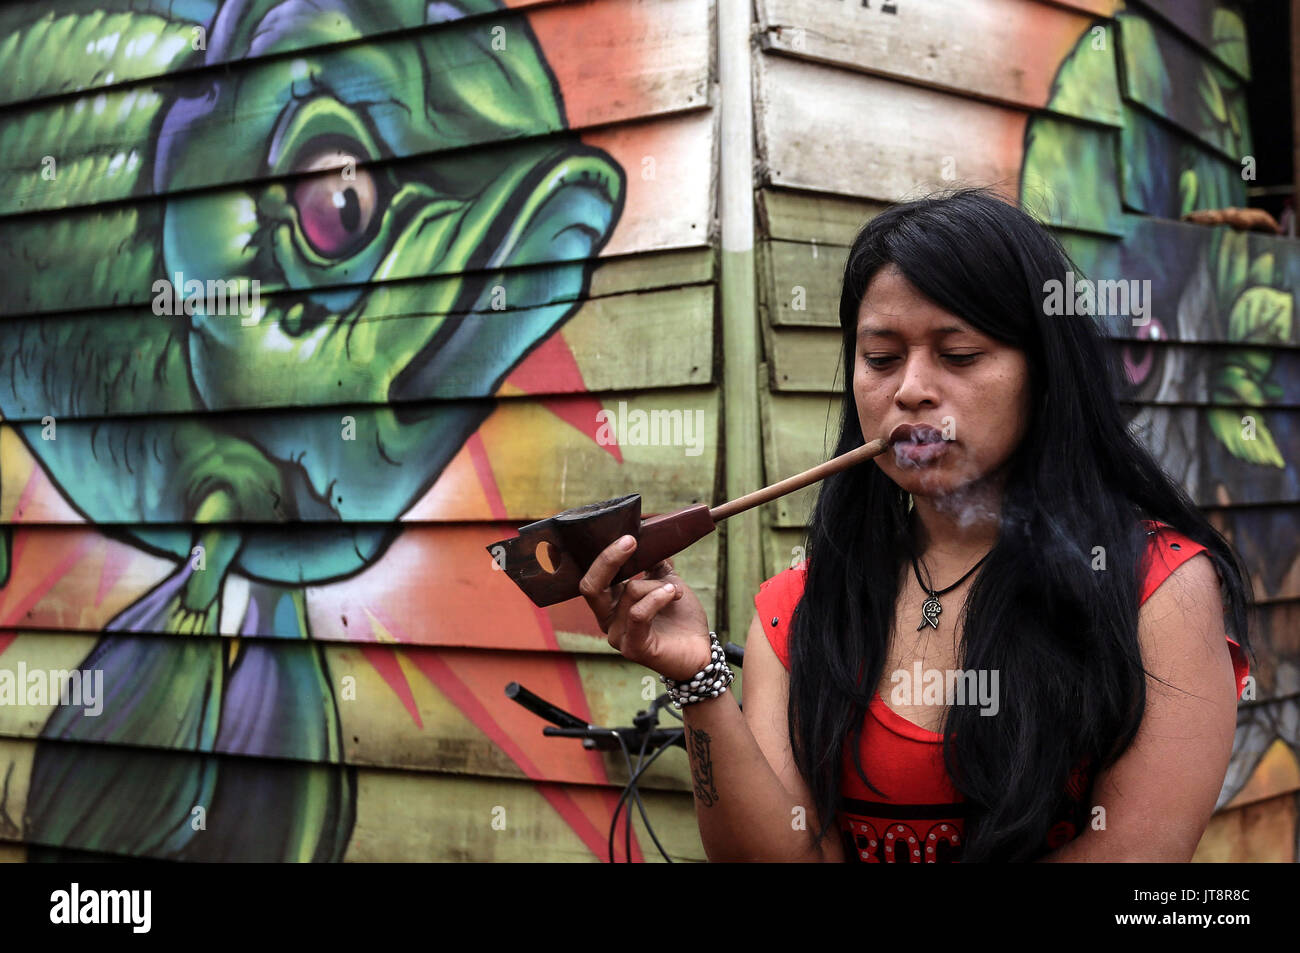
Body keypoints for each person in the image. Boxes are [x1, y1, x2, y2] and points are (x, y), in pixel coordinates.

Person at [577, 188, 1253, 862]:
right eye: (880, 357)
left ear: (1044, 373)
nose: (910, 389)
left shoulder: (1156, 588)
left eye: (958, 355)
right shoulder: (800, 606)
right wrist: (698, 679)